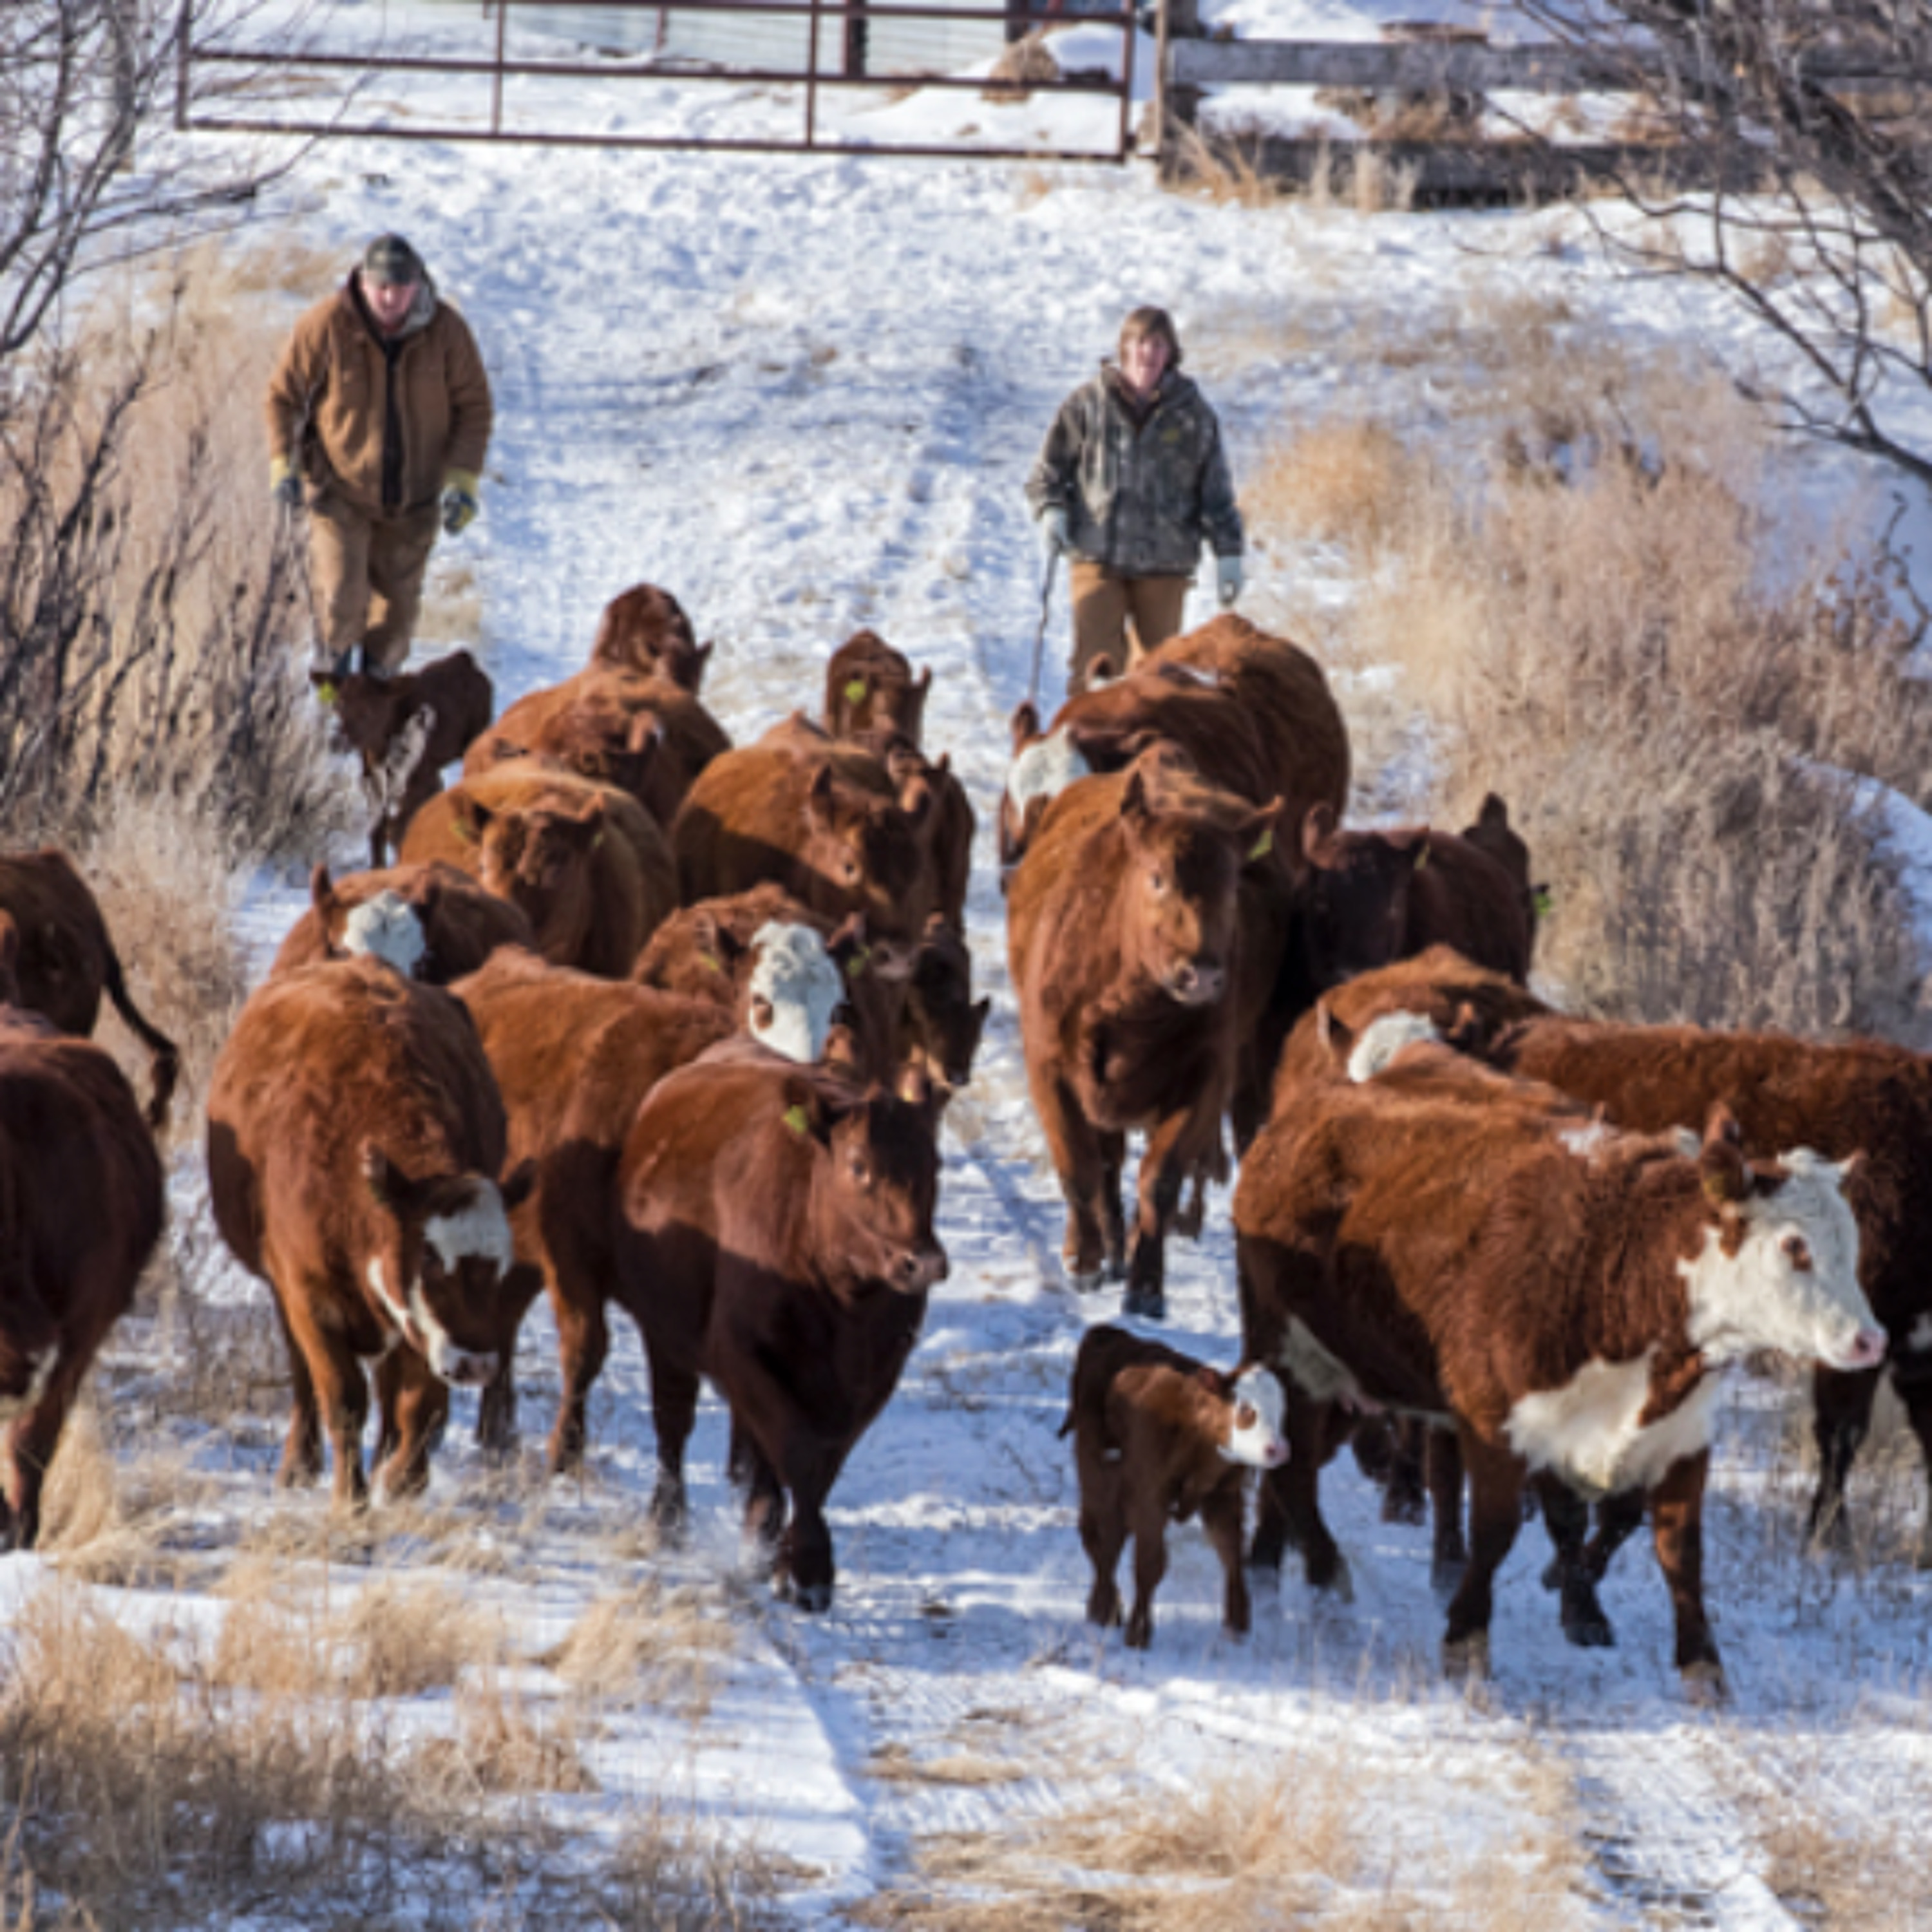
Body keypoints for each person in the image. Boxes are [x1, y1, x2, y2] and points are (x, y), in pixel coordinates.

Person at [265, 232, 493, 682]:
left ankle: (375, 709)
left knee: (395, 621)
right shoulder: (327, 325)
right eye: (381, 287)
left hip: (415, 501)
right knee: (339, 602)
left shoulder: (446, 332)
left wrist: (462, 482)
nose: (390, 298)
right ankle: (331, 703)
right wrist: (284, 465)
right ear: (363, 284)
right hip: (339, 493)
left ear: (418, 286)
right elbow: (282, 398)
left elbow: (475, 407)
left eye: (400, 288)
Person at [1025, 305, 1244, 692]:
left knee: (1155, 678)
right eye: (1140, 342)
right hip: (1098, 558)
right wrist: (1052, 511)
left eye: (1158, 344)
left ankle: (1141, 750)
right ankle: (1086, 748)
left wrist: (1229, 554)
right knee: (1093, 670)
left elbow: (1217, 495)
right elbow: (1048, 472)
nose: (1149, 353)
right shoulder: (1088, 405)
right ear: (1124, 348)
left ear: (1170, 353)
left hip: (1166, 565)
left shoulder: (1193, 415)